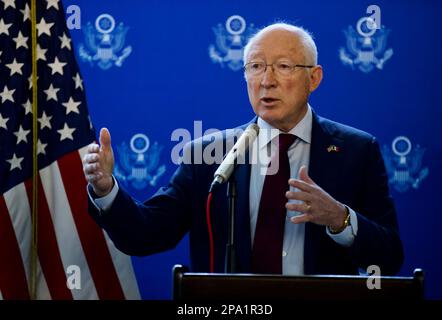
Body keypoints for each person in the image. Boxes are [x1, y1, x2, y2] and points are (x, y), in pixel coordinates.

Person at [83, 23, 403, 276]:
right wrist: (106, 188)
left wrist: (340, 218)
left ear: (314, 78)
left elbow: (390, 257)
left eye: (284, 66)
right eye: (256, 67)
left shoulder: (356, 150)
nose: (267, 80)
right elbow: (146, 234)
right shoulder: (208, 155)